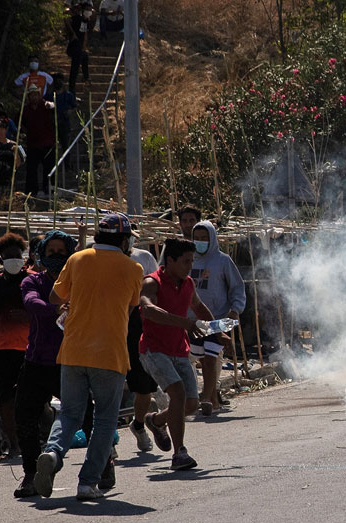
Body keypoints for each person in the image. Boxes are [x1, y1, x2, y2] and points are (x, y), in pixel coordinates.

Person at [34, 213, 143, 501]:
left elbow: (55, 299)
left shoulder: (77, 259)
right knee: (105, 419)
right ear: (123, 240)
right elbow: (131, 307)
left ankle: (53, 454)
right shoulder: (133, 268)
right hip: (109, 354)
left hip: (73, 350)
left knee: (69, 413)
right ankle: (87, 482)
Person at [140, 238, 214, 470]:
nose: (189, 266)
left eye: (192, 261)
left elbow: (199, 308)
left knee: (192, 404)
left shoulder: (189, 283)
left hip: (179, 349)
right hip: (154, 350)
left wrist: (216, 331)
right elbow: (148, 310)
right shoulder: (151, 282)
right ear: (169, 260)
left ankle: (156, 420)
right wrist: (185, 322)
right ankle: (179, 453)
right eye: (185, 261)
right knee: (179, 394)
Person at [13, 230, 76, 498]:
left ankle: (104, 461)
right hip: (37, 361)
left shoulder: (80, 281)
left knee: (86, 416)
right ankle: (30, 474)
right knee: (25, 417)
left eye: (62, 252)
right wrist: (57, 309)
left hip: (72, 361)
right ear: (41, 256)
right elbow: (32, 303)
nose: (56, 257)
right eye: (51, 252)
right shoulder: (32, 282)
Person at [189, 221, 246, 415]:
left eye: (204, 238)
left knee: (211, 358)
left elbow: (237, 288)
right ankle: (212, 399)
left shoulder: (222, 261)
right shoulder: (188, 259)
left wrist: (235, 311)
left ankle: (207, 398)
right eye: (197, 238)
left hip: (219, 319)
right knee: (202, 360)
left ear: (212, 238)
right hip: (192, 320)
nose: (200, 242)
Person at [0, 233, 31, 457]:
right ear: (0, 260)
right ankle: (13, 443)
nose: (13, 259)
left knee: (32, 397)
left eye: (17, 255)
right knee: (6, 398)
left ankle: (33, 437)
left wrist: (27, 316)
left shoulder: (33, 280)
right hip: (2, 349)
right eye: (8, 256)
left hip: (31, 348)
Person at [126, 228, 161, 453]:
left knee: (144, 388)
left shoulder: (144, 258)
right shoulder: (95, 257)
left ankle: (139, 424)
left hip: (137, 326)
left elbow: (157, 290)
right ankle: (106, 442)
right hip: (107, 324)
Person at [19, 84, 56, 197]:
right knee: (31, 169)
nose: (34, 97)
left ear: (39, 95)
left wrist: (51, 105)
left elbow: (53, 106)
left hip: (47, 143)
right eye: (32, 95)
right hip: (33, 143)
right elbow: (19, 123)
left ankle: (49, 190)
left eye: (36, 94)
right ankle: (31, 192)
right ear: (29, 97)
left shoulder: (45, 105)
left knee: (49, 169)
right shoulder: (25, 110)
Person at [65, 2, 94, 93]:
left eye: (90, 10)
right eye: (87, 10)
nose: (89, 12)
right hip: (73, 46)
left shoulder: (86, 21)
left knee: (84, 57)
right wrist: (72, 33)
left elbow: (85, 34)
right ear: (83, 10)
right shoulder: (77, 19)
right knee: (75, 66)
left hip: (80, 47)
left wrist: (84, 46)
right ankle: (72, 87)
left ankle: (86, 78)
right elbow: (66, 18)